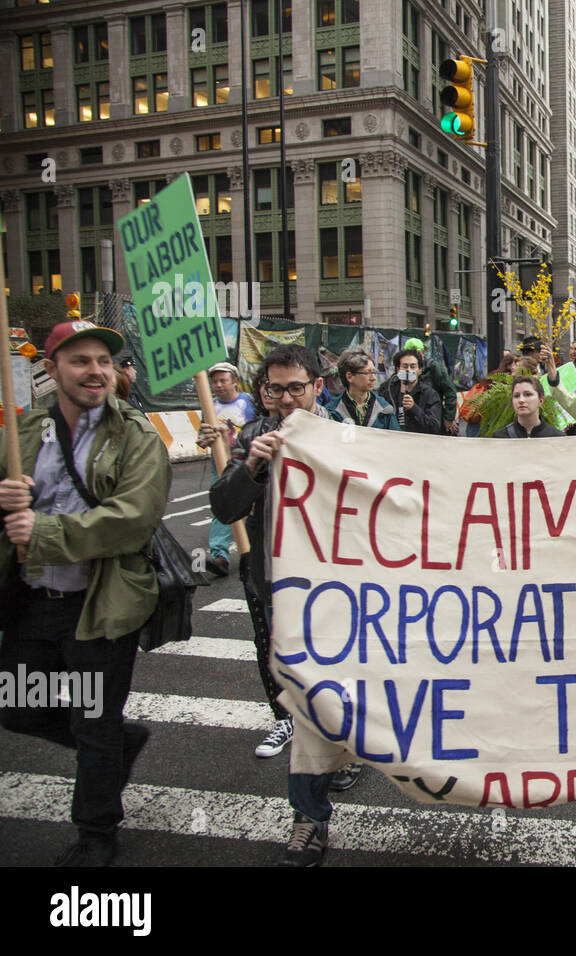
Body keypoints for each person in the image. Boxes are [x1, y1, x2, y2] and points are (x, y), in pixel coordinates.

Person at [0, 320, 169, 866]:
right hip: (32, 603)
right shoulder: (23, 434)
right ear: (51, 370)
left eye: (103, 360)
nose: (95, 371)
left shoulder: (136, 435)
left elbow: (133, 520)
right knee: (18, 707)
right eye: (80, 361)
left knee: (93, 722)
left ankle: (97, 833)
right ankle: (119, 746)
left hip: (100, 605)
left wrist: (45, 532)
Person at [208, 344, 360, 864]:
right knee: (302, 698)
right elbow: (224, 505)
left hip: (343, 592)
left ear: (318, 386)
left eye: (298, 386)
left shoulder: (350, 438)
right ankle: (309, 820)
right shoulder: (255, 439)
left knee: (335, 695)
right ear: (265, 392)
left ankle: (344, 752)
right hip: (282, 591)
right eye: (276, 388)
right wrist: (250, 466)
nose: (288, 398)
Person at [194, 361, 257, 578]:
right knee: (220, 507)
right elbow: (202, 439)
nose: (218, 385)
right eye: (214, 381)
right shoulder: (209, 406)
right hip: (220, 466)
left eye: (223, 380)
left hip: (248, 465)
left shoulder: (250, 403)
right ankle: (220, 556)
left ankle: (253, 553)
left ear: (235, 382)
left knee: (254, 509)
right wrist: (205, 440)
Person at [326, 348, 401, 430]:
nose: (373, 378)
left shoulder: (384, 409)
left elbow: (395, 439)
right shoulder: (333, 410)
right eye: (367, 373)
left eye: (374, 372)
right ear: (349, 376)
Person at [377, 348, 442, 434]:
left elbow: (434, 427)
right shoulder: (387, 391)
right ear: (398, 369)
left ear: (420, 370)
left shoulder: (430, 395)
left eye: (413, 366)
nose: (408, 370)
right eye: (405, 366)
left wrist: (414, 409)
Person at [408, 338, 460, 434]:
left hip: (432, 417)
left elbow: (450, 392)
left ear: (423, 352)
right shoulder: (401, 372)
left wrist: (448, 418)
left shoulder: (434, 368)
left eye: (416, 353)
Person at [491, 376, 567, 438]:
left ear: (540, 401)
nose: (521, 400)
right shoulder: (501, 437)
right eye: (516, 396)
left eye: (528, 394)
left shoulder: (556, 437)